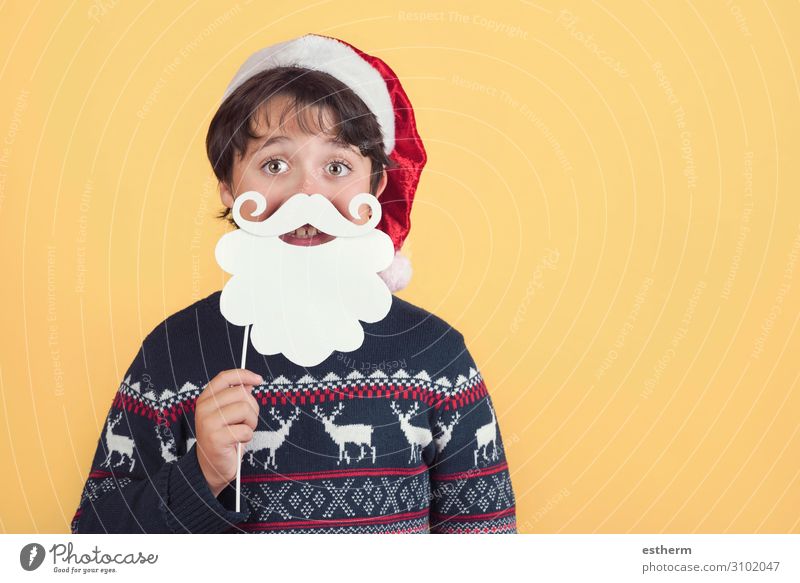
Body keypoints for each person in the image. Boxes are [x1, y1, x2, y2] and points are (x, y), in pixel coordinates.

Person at [71, 33, 517, 534]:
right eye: (274, 164)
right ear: (228, 186)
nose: (308, 194)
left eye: (337, 166)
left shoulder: (438, 356)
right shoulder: (171, 353)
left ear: (377, 187)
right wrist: (203, 474)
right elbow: (93, 544)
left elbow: (488, 545)